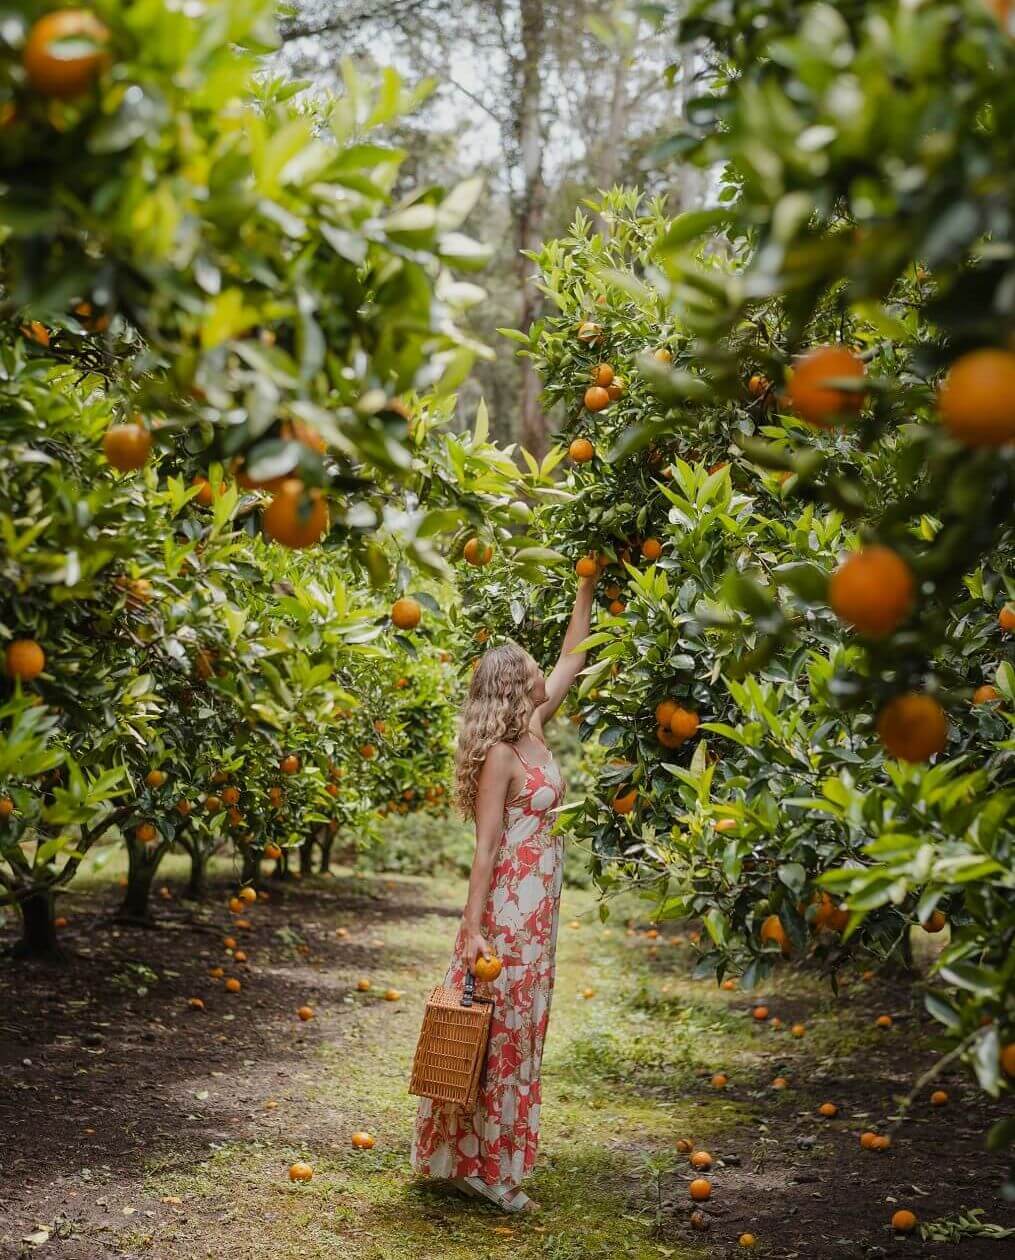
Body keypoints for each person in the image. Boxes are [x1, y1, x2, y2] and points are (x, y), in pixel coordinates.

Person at [411, 573, 596, 1213]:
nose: (547, 667)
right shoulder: (501, 755)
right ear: (515, 684)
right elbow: (486, 847)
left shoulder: (537, 729)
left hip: (540, 913)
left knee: (523, 1032)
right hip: (509, 915)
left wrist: (587, 589)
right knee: (503, 1036)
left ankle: (483, 1162)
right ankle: (490, 1170)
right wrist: (471, 927)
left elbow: (577, 652)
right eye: (532, 665)